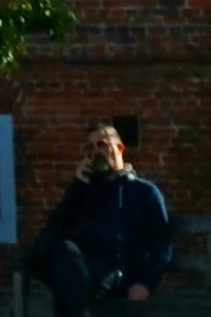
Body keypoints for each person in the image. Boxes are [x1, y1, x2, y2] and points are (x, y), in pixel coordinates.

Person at [35, 128, 174, 317]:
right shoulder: (86, 192)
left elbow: (162, 242)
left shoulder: (144, 192)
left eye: (101, 144)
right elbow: (53, 232)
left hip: (122, 275)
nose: (96, 151)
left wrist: (145, 282)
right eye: (90, 148)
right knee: (64, 251)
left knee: (67, 291)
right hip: (86, 276)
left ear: (120, 147)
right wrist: (77, 186)